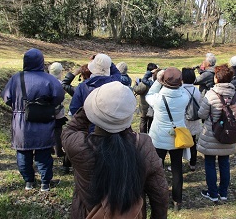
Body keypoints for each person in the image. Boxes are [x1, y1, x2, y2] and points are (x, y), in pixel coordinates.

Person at [61, 81, 169, 219]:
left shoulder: (78, 145)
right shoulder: (143, 144)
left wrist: (93, 105)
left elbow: (71, 129)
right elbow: (160, 193)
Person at [1, 48, 64, 191]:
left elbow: (7, 98)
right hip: (44, 119)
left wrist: (20, 106)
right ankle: (45, 183)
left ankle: (28, 182)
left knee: (23, 152)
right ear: (41, 62)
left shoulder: (16, 78)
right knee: (43, 153)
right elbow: (58, 97)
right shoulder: (49, 79)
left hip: (21, 122)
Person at [145, 67, 189, 210]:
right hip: (177, 138)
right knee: (177, 169)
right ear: (180, 82)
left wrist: (158, 80)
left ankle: (158, 198)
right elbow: (181, 90)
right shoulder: (184, 97)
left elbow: (149, 94)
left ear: (163, 81)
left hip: (158, 138)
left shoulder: (157, 99)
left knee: (157, 169)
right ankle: (178, 200)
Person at [197, 64, 236, 203]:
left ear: (217, 78)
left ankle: (212, 192)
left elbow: (201, 114)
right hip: (228, 134)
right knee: (225, 163)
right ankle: (223, 193)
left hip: (212, 133)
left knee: (210, 163)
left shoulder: (211, 94)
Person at [182, 68, 202, 171]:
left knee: (180, 142)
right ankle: (193, 163)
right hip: (194, 119)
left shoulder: (180, 90)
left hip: (183, 120)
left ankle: (178, 163)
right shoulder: (196, 90)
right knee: (193, 141)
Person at [133, 63, 158, 133]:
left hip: (144, 106)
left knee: (143, 121)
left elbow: (138, 90)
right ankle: (150, 135)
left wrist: (135, 85)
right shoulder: (156, 82)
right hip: (153, 106)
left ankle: (143, 135)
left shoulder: (144, 83)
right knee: (151, 121)